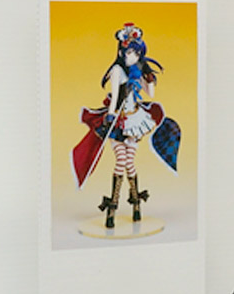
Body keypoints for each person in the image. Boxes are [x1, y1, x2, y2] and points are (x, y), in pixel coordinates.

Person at [71, 23, 180, 228]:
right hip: (119, 121)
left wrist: (149, 77)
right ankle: (112, 208)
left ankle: (136, 205)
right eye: (129, 52)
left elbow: (151, 94)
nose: (133, 56)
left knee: (130, 163)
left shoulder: (136, 70)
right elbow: (114, 99)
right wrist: (111, 115)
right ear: (121, 51)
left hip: (135, 119)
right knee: (121, 161)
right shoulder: (117, 71)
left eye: (136, 53)